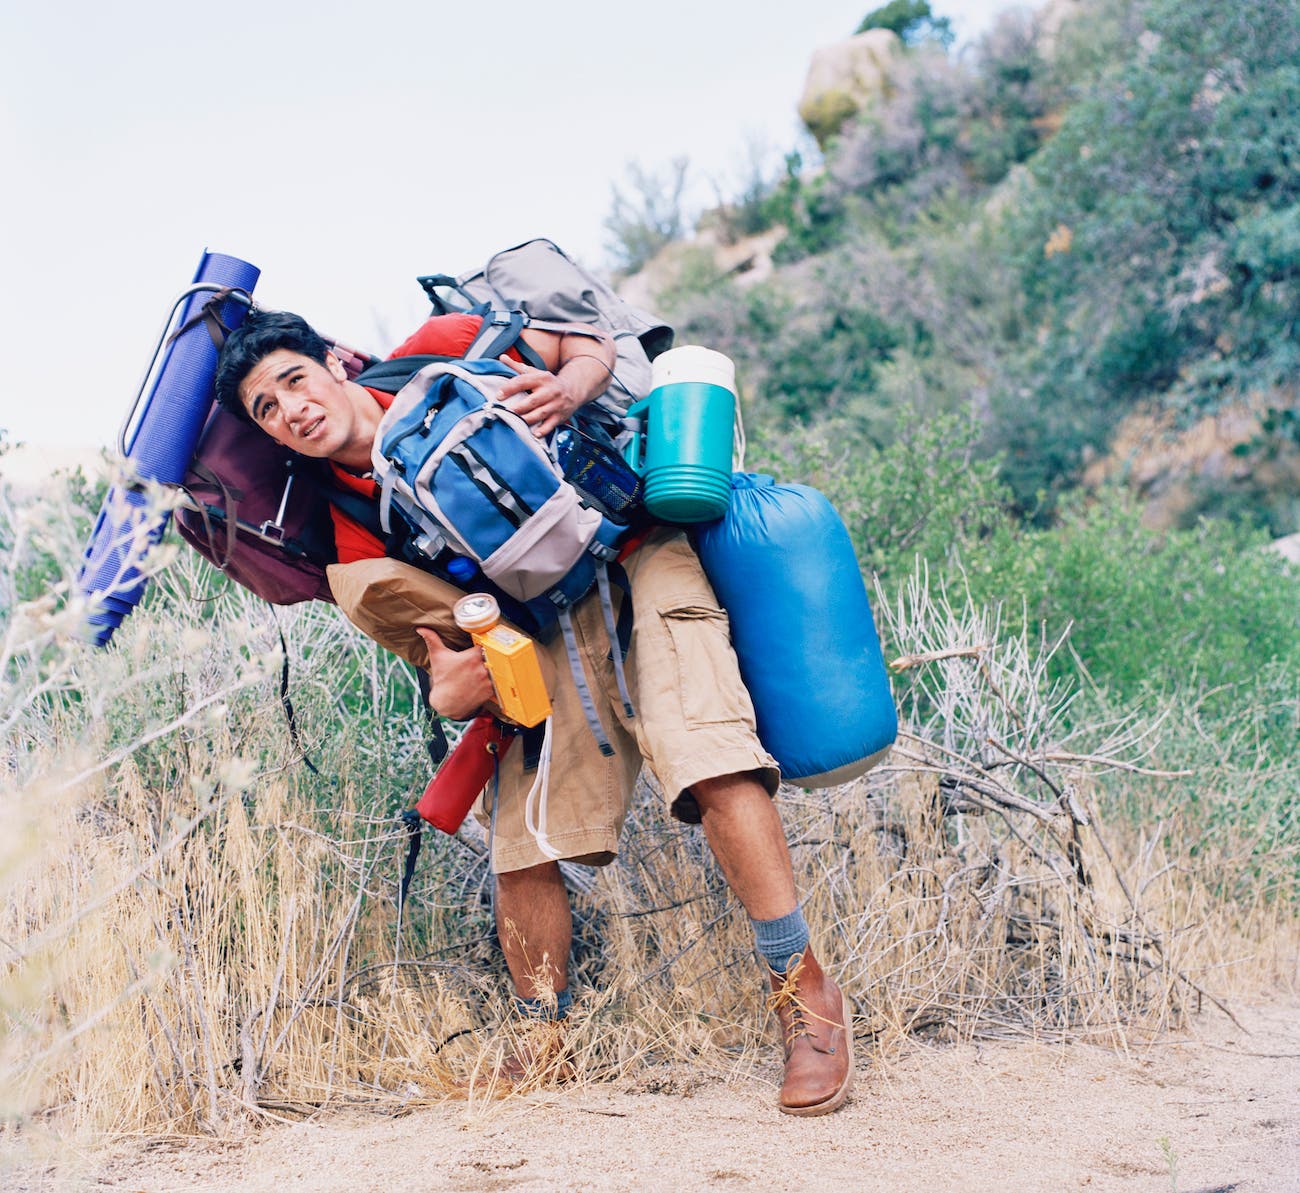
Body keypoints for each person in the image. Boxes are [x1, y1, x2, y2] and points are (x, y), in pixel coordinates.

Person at [213, 308, 854, 1116]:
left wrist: (573, 382)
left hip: (636, 555)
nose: (293, 409)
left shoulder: (443, 347)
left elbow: (582, 339)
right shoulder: (349, 532)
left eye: (294, 380)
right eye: (268, 409)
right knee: (521, 837)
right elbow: (437, 657)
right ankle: (545, 1036)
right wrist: (449, 688)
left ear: (334, 363)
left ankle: (804, 991)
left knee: (708, 757)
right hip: (539, 625)